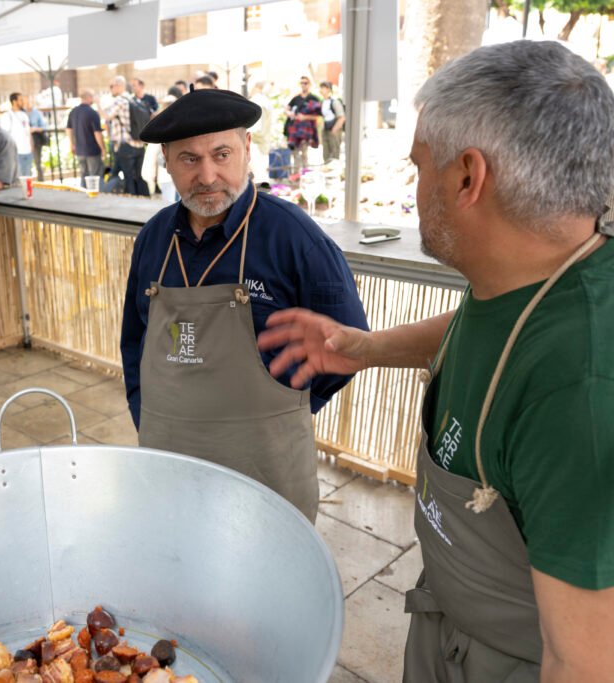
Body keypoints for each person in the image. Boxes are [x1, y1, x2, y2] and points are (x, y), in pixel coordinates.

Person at [258, 40, 614, 680]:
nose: (414, 184)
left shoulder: (580, 392)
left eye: (420, 164)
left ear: (468, 177)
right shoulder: (539, 272)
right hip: (450, 619)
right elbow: (495, 324)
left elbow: (585, 659)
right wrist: (365, 349)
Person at [120, 88, 367, 522]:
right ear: (167, 162)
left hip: (265, 468)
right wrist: (149, 416)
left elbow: (349, 345)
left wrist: (282, 414)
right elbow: (134, 343)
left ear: (247, 149)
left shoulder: (294, 237)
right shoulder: (154, 239)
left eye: (221, 154)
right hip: (170, 462)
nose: (208, 176)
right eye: (189, 159)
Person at [105, 76, 148, 196]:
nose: (110, 89)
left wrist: (97, 104)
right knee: (137, 176)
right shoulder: (134, 99)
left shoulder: (120, 101)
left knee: (128, 177)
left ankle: (132, 202)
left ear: (119, 86)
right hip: (139, 145)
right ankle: (143, 198)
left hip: (126, 145)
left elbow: (107, 116)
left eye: (111, 86)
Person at [66, 88, 105, 186]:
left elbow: (68, 129)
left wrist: (72, 144)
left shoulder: (73, 111)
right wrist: (103, 148)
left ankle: (83, 197)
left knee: (84, 175)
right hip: (92, 150)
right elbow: (97, 133)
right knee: (95, 177)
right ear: (89, 98)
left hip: (79, 150)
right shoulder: (92, 113)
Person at [285, 76, 320, 173]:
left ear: (309, 84)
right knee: (295, 153)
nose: (303, 85)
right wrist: (289, 113)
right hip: (294, 130)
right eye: (302, 83)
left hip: (306, 131)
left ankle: (305, 174)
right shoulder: (296, 98)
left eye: (305, 83)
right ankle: (296, 175)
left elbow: (318, 116)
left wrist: (305, 117)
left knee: (304, 153)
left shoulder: (314, 99)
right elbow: (287, 108)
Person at [0, 92, 34, 178]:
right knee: (18, 178)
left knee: (28, 177)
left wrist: (31, 145)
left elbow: (28, 132)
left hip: (27, 151)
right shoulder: (7, 116)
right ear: (14, 101)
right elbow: (4, 135)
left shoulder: (24, 115)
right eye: (20, 100)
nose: (23, 102)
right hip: (16, 152)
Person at [247, 81, 276, 182]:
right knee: (261, 174)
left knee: (258, 176)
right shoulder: (264, 100)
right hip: (262, 142)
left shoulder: (257, 101)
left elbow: (257, 128)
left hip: (256, 143)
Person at [319, 82, 345, 162]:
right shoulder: (323, 102)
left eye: (323, 88)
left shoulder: (334, 102)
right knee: (326, 154)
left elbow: (342, 117)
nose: (321, 90)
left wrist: (335, 129)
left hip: (334, 130)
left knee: (334, 155)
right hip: (326, 130)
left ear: (328, 89)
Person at [28, 104, 47, 181]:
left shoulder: (36, 113)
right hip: (25, 142)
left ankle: (41, 181)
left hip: (36, 140)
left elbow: (44, 127)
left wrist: (34, 129)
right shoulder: (21, 113)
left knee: (37, 162)